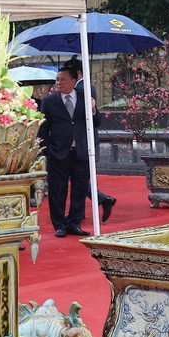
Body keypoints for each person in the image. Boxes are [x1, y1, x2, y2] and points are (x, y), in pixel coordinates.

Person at [39, 67, 102, 238]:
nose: (58, 82)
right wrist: (47, 150)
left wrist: (94, 109)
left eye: (63, 79)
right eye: (57, 79)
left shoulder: (85, 98)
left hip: (81, 152)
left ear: (74, 81)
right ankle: (59, 225)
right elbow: (43, 129)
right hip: (58, 154)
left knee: (79, 190)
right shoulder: (49, 101)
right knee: (57, 191)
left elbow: (96, 123)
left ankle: (74, 223)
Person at [64, 57, 117, 222]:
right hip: (78, 140)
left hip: (82, 141)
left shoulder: (84, 88)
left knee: (77, 177)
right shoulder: (80, 87)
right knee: (77, 177)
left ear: (78, 72)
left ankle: (101, 200)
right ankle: (82, 210)